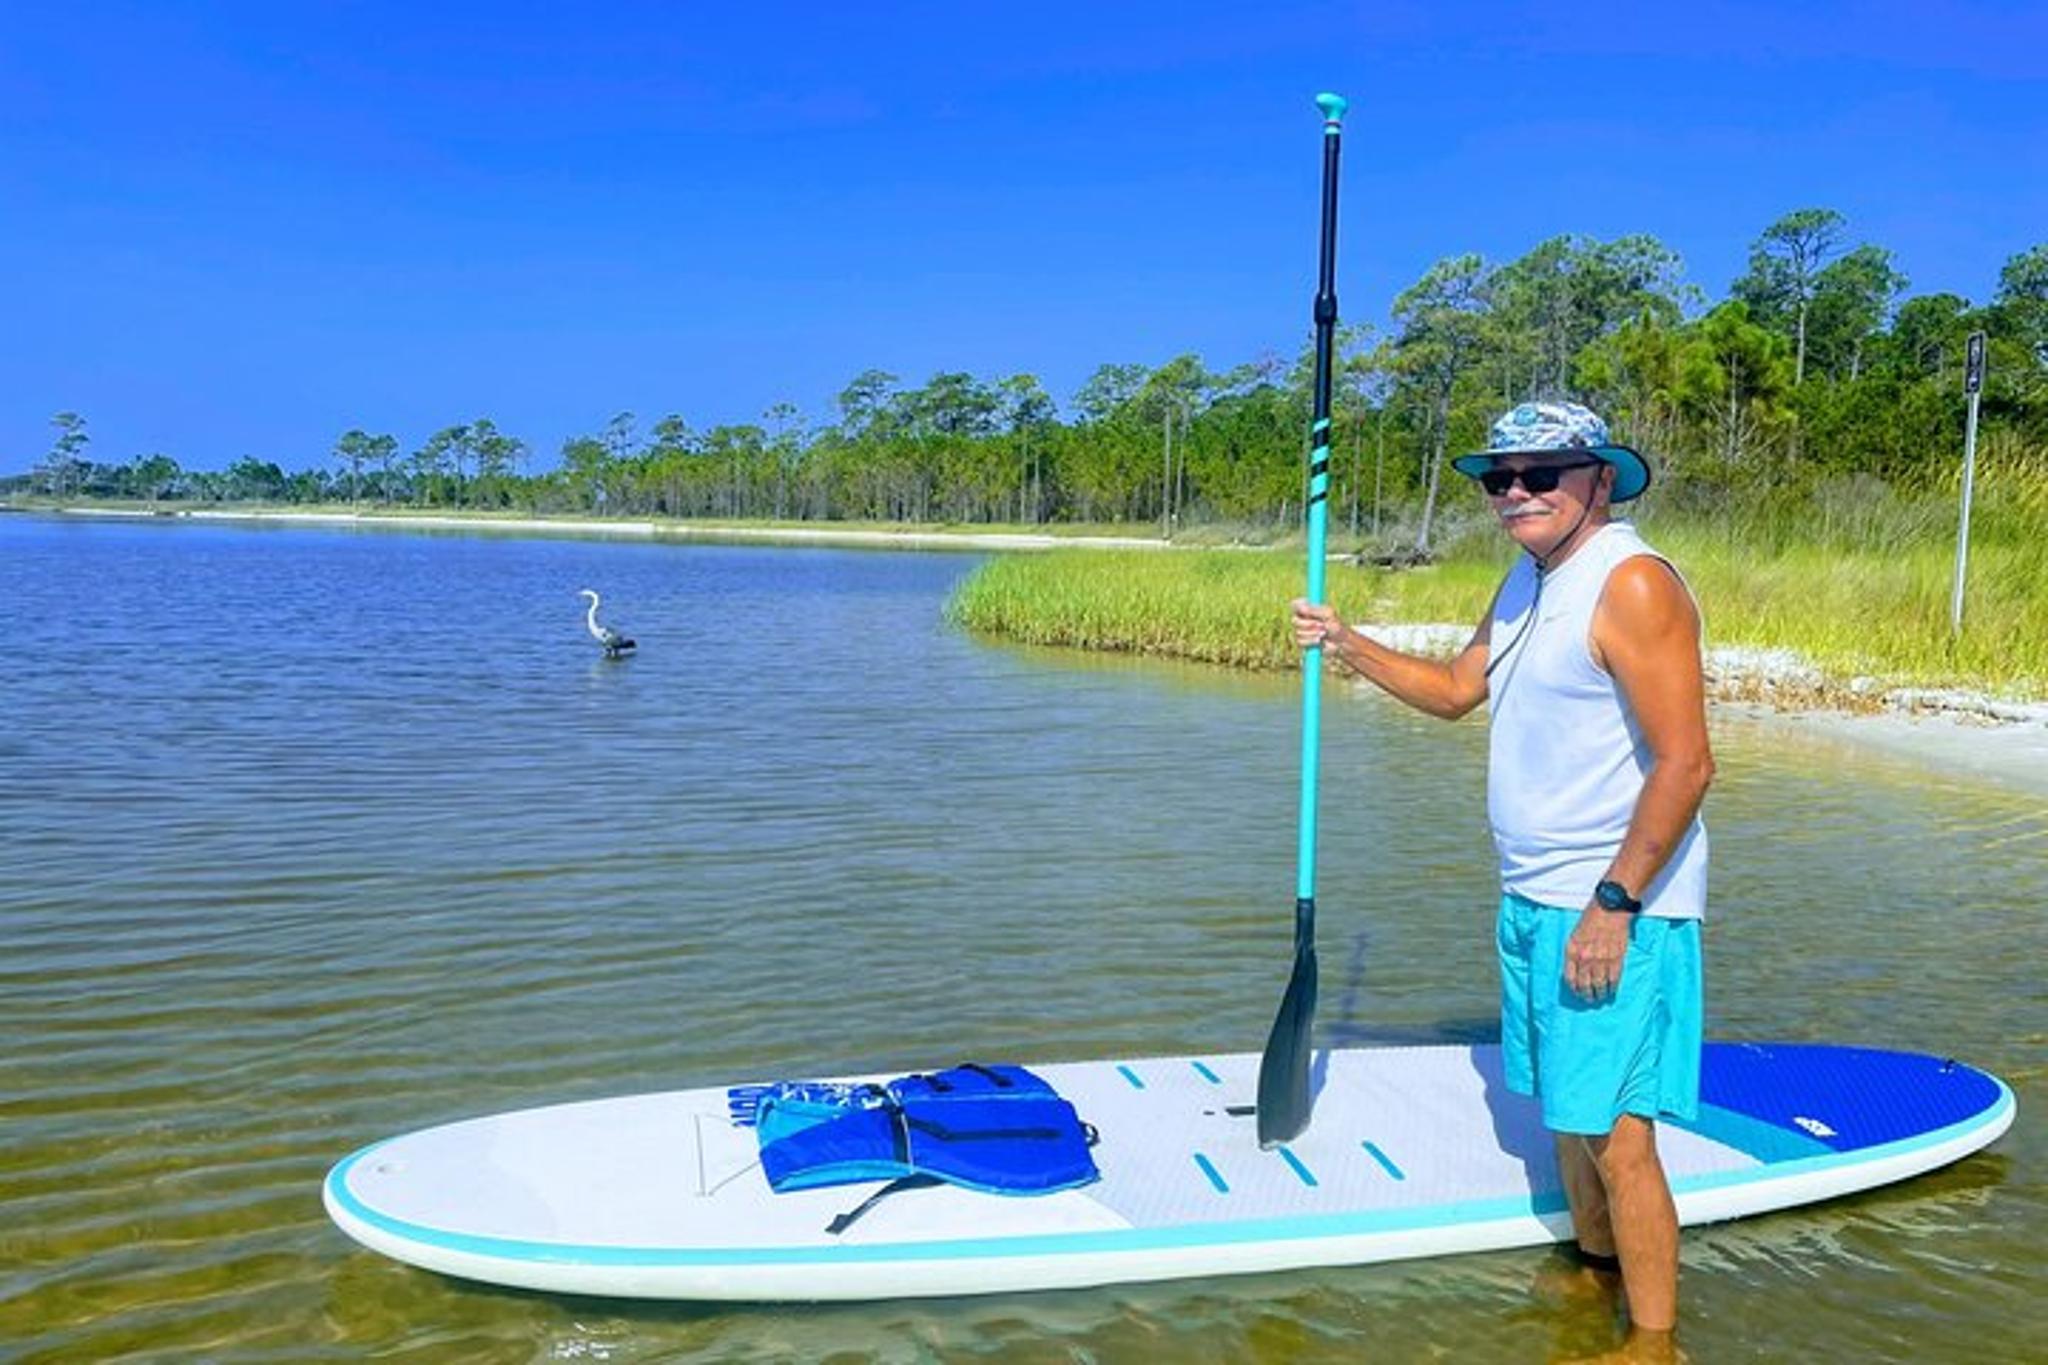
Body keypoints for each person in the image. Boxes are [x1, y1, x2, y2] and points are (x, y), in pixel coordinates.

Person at [1292, 400, 1712, 1361]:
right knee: (1565, 1112)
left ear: (1599, 477)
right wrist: (1345, 641)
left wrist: (1614, 905)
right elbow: (1454, 693)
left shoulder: (1632, 584)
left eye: (1541, 474)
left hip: (1608, 903)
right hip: (1531, 895)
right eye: (1498, 478)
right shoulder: (1530, 577)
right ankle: (1595, 1274)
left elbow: (1687, 763)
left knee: (1618, 1134)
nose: (1516, 493)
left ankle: (1654, 1342)